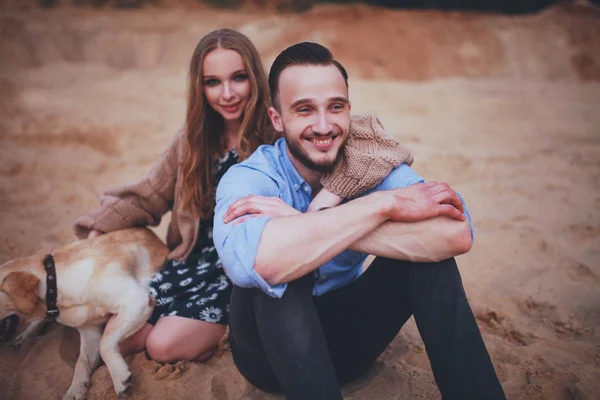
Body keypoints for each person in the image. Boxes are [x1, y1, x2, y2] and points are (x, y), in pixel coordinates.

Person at [73, 29, 412, 364]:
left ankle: (206, 332)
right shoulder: (193, 140)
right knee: (111, 325)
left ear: (255, 77)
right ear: (200, 87)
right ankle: (177, 324)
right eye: (213, 82)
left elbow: (361, 147)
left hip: (239, 266)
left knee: (162, 346)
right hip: (191, 261)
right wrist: (99, 227)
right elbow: (148, 194)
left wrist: (331, 194)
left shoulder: (279, 128)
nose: (228, 93)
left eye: (238, 78)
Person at [213, 42, 507, 399]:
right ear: (277, 119)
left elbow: (455, 235)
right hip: (265, 356)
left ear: (349, 111)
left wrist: (313, 219)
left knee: (432, 264)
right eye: (304, 110)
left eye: (334, 107)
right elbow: (254, 264)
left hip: (349, 344)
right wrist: (382, 208)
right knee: (283, 273)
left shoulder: (370, 165)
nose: (323, 126)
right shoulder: (250, 178)